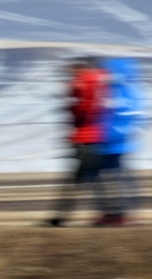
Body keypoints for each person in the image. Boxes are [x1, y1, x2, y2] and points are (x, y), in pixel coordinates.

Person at [46, 58, 107, 227]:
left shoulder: (85, 86)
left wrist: (71, 104)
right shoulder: (95, 85)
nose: (71, 79)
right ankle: (109, 214)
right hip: (90, 139)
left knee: (76, 182)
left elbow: (85, 111)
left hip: (85, 140)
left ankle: (60, 218)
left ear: (80, 72)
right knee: (92, 181)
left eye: (73, 74)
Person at [95, 57, 146, 226]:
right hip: (105, 143)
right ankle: (110, 213)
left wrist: (118, 132)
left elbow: (133, 117)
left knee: (120, 179)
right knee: (103, 178)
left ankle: (122, 213)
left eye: (110, 72)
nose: (107, 75)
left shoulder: (129, 93)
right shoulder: (106, 91)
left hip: (119, 143)